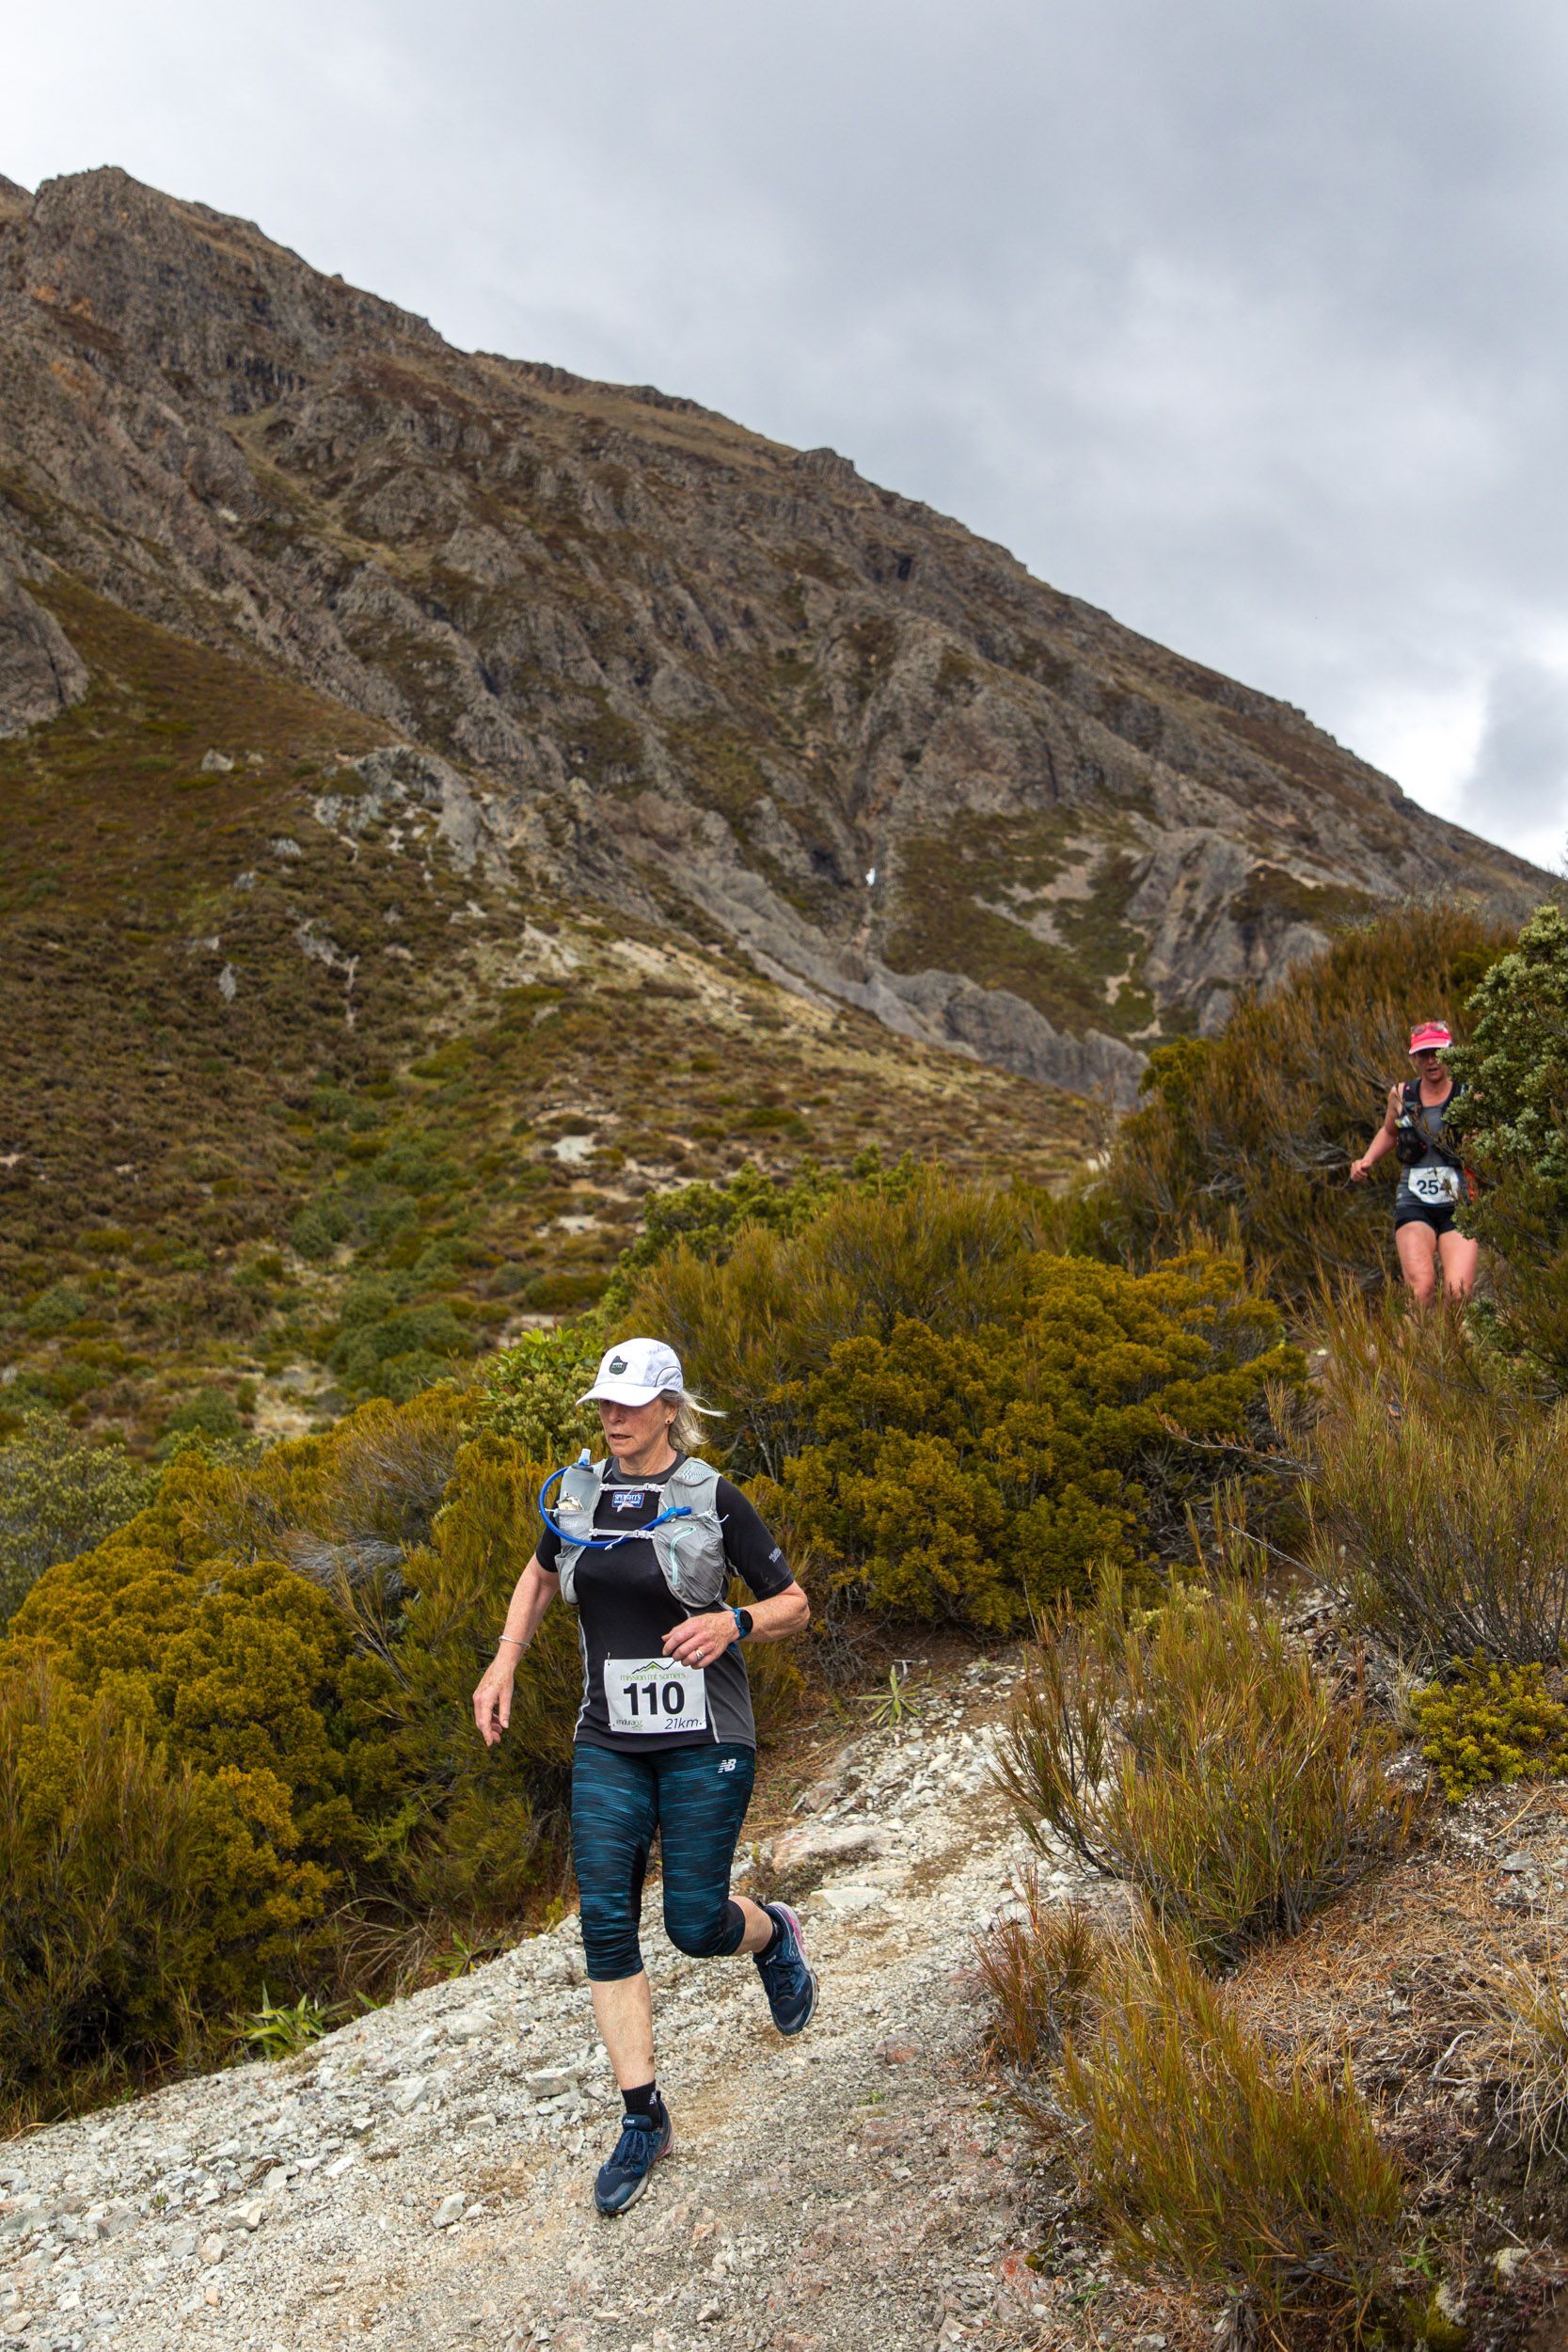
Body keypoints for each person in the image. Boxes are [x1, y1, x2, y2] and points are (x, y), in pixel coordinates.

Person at [472, 1336, 816, 2217]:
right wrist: (504, 1661)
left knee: (694, 1924)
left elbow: (794, 1604)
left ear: (670, 1408)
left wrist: (733, 1622)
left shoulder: (714, 1497)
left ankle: (772, 1936)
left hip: (707, 1735)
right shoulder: (579, 1492)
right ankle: (642, 2115)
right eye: (603, 1406)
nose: (613, 1419)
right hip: (607, 1738)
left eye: (629, 1405)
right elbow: (539, 1576)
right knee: (606, 1921)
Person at [1350, 1020, 1479, 1304]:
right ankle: (1414, 1347)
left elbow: (1491, 1141)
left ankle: (1450, 1348)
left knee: (1458, 1293)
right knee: (1420, 1289)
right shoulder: (1401, 1095)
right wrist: (1366, 1160)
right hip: (1414, 1200)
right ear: (1414, 1058)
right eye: (1424, 1054)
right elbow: (1389, 1131)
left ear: (1451, 1052)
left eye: (1438, 1052)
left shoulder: (1469, 1095)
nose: (1432, 1061)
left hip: (1460, 1205)